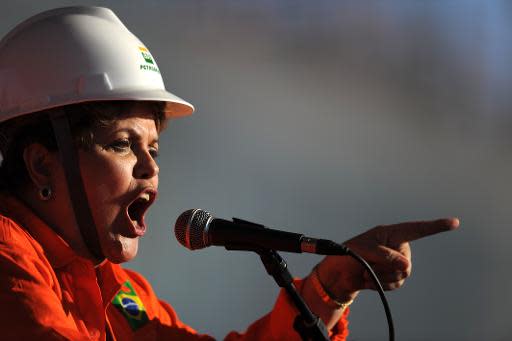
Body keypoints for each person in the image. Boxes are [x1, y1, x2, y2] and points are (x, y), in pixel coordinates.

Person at [0, 6, 459, 340]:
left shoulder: (119, 291)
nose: (151, 169)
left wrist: (329, 288)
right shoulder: (8, 259)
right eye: (123, 144)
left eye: (154, 148)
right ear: (42, 162)